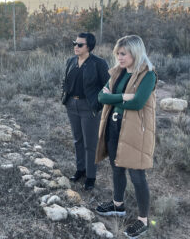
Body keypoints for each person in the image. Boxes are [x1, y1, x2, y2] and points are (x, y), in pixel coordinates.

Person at [94, 35, 157, 238]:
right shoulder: (118, 72)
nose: (119, 58)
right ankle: (117, 205)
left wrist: (115, 100)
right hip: (114, 126)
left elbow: (137, 103)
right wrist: (122, 97)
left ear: (135, 53)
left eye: (123, 54)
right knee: (117, 167)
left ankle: (143, 221)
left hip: (135, 131)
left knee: (138, 176)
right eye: (117, 54)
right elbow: (101, 97)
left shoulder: (148, 75)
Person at [62, 32, 110, 190]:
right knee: (77, 140)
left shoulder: (98, 63)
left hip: (89, 107)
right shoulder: (71, 61)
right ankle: (80, 170)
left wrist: (97, 103)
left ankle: (91, 177)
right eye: (74, 43)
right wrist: (66, 97)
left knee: (90, 144)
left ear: (89, 46)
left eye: (80, 44)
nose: (76, 46)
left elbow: (107, 85)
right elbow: (66, 81)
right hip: (72, 105)